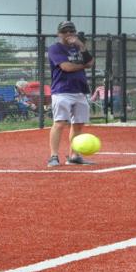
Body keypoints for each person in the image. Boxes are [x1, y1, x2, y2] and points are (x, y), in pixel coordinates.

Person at [45, 21, 95, 167]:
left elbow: (91, 62)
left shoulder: (78, 47)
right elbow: (66, 67)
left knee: (78, 124)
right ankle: (53, 156)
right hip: (62, 91)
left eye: (71, 31)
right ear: (59, 34)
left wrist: (81, 46)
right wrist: (84, 66)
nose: (68, 34)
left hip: (79, 90)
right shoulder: (55, 48)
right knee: (60, 123)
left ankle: (74, 156)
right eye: (64, 31)